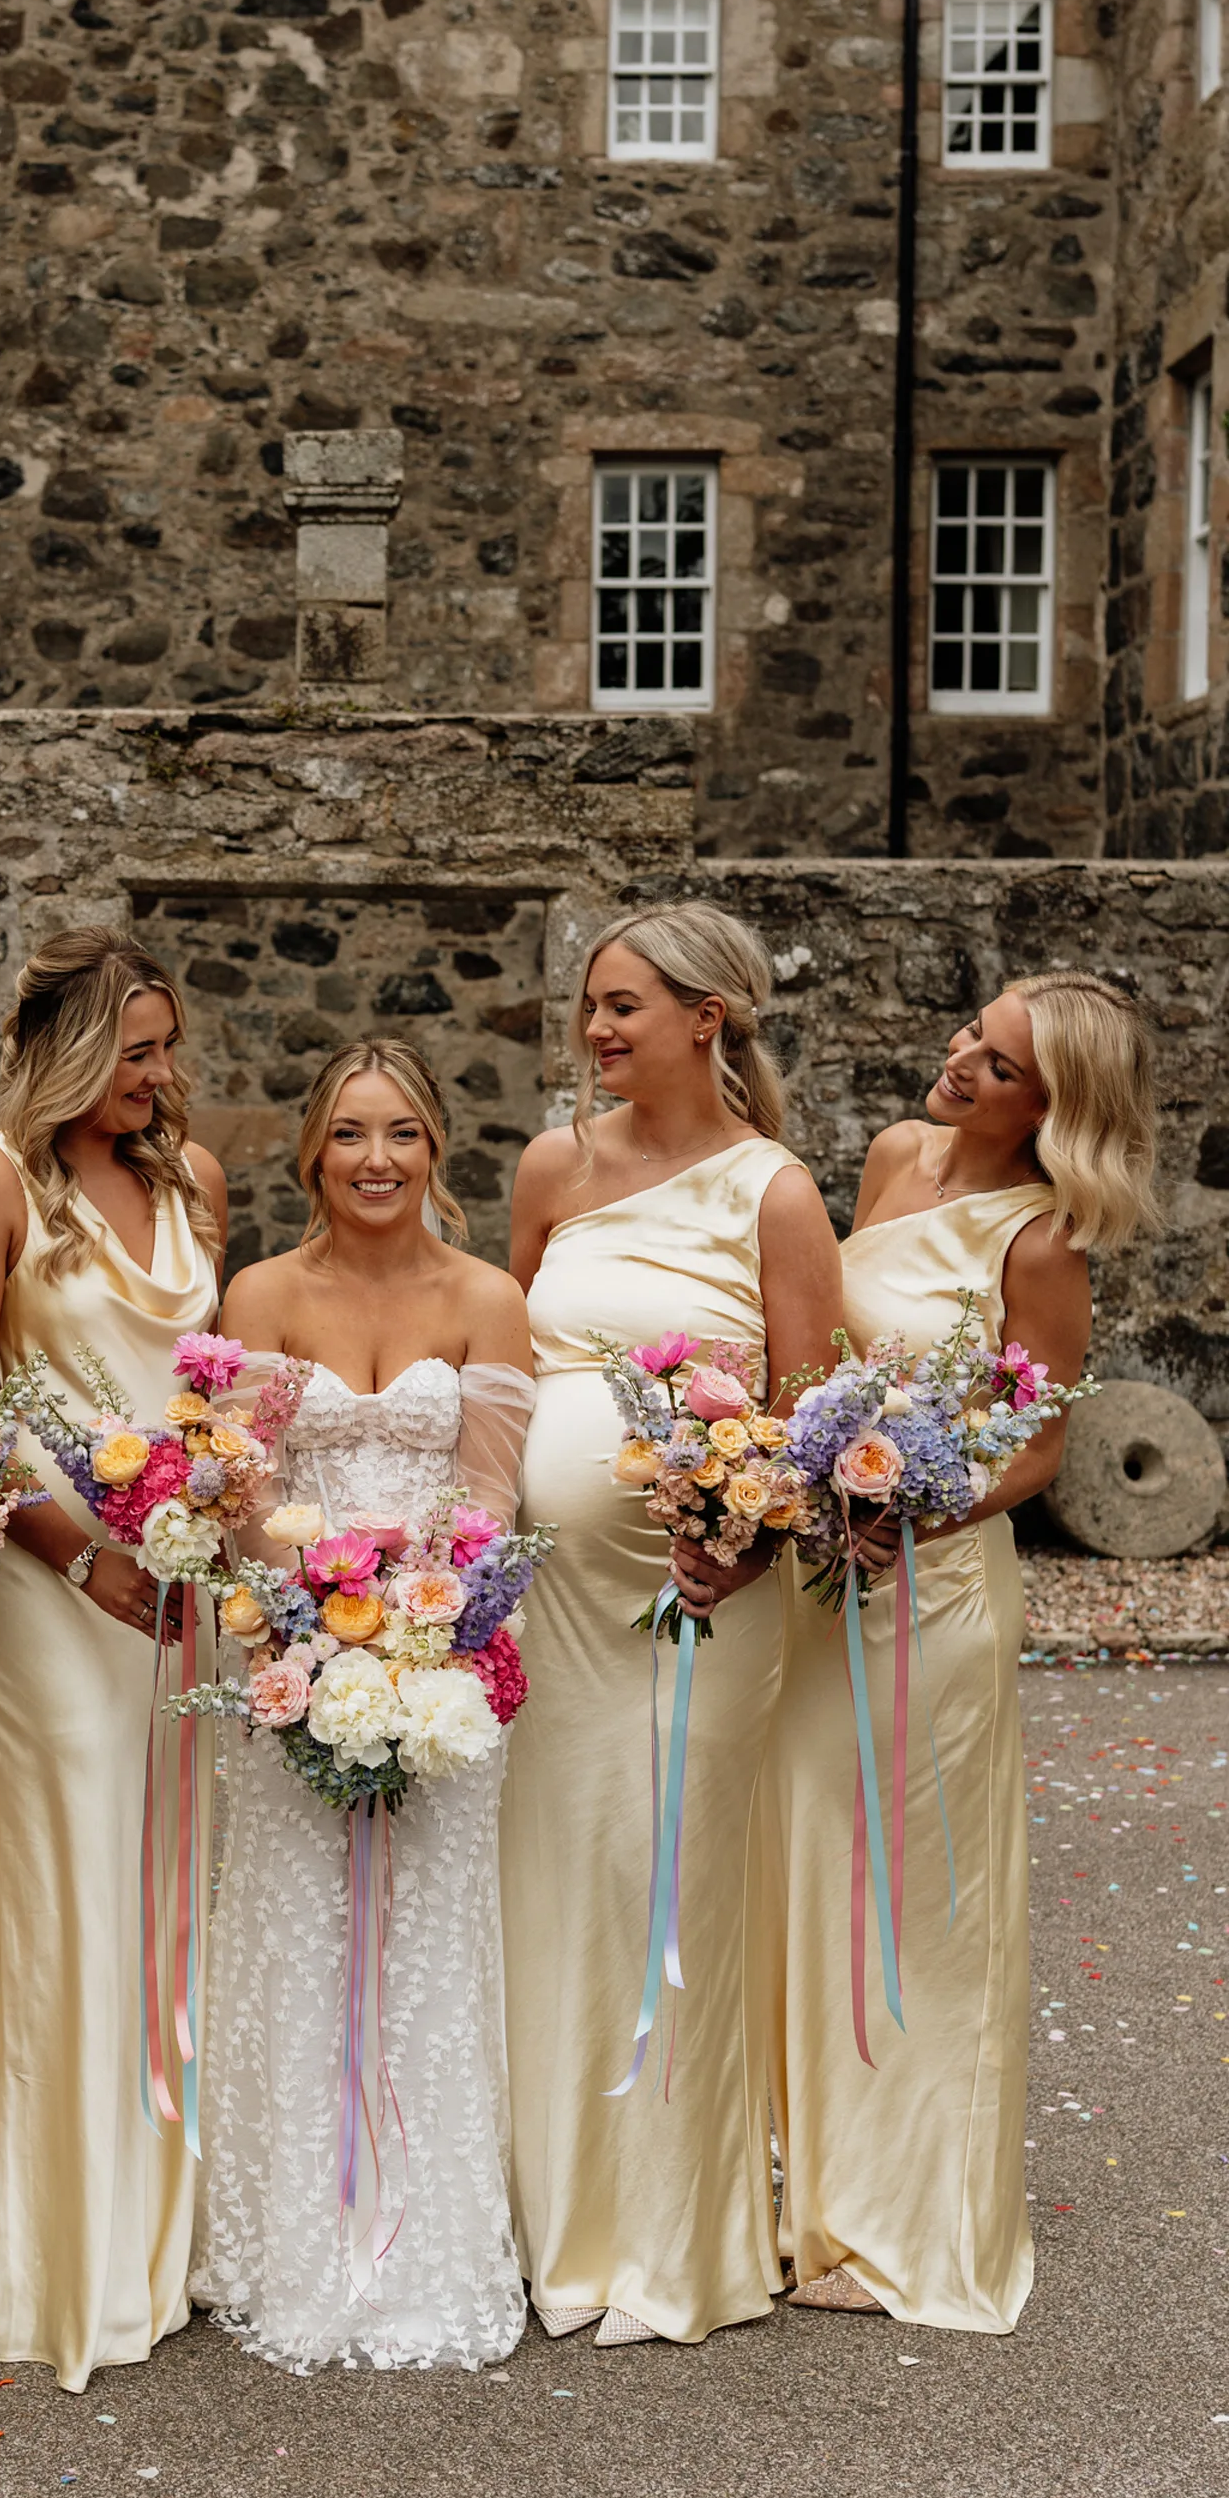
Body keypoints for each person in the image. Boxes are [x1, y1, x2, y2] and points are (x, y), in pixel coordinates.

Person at [769, 972, 1159, 2330]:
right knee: (815, 1861)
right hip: (828, 1580)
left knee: (917, 1892)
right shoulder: (889, 1156)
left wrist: (917, 1504)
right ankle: (813, 2192)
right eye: (969, 1040)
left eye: (997, 1066)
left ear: (1054, 1106)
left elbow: (1038, 1441)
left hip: (933, 1592)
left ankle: (905, 2221)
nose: (960, 1066)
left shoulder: (1041, 1243)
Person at [501, 900, 842, 2347]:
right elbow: (503, 1364)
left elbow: (816, 1414)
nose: (597, 1028)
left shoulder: (775, 1192)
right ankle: (554, 2220)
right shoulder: (550, 1167)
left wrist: (747, 1540)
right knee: (558, 1879)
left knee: (676, 1892)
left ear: (710, 1016)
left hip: (702, 1600)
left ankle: (674, 2242)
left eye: (626, 1004)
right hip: (553, 1603)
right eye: (591, 1003)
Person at [189, 1041, 535, 2372]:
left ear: (438, 1144)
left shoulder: (488, 1296)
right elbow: (246, 1488)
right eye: (348, 1134)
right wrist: (323, 1630)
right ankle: (293, 2243)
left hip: (445, 1655)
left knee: (428, 1941)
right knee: (299, 1929)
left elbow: (494, 1489)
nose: (375, 1159)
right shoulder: (262, 1290)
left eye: (399, 1133)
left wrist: (427, 1627)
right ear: (311, 1152)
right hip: (294, 1650)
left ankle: (425, 2246)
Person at [0, 926, 226, 2391]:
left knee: (174, 1875)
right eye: (134, 1053)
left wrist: (213, 1514)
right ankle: (56, 2252)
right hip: (55, 1590)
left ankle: (164, 2231)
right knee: (65, 1880)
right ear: (64, 1050)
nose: (160, 1080)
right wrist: (84, 1555)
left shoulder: (194, 1183)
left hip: (181, 1586)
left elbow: (215, 1391)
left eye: (167, 1049)